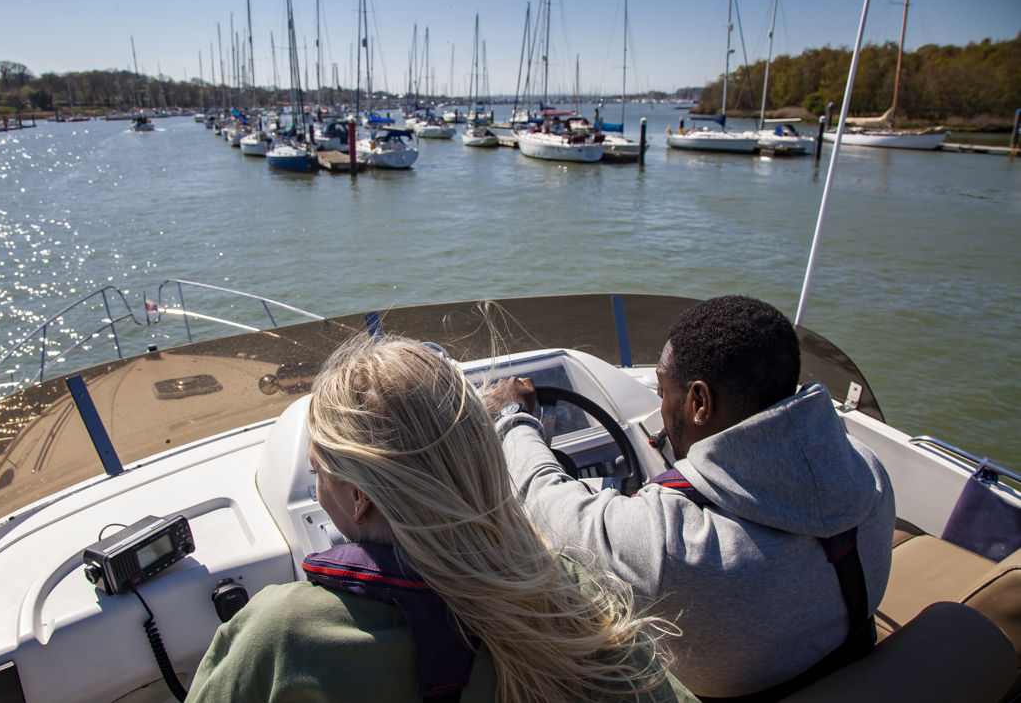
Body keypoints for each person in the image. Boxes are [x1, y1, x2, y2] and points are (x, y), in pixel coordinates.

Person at [186, 335, 696, 703]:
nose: (318, 490)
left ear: (360, 496)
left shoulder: (282, 636)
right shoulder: (565, 594)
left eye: (320, 471)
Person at [493, 295, 896, 699]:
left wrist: (513, 418)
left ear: (700, 403)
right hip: (845, 659)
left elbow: (543, 501)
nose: (662, 406)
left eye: (664, 389)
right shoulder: (867, 471)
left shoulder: (671, 544)